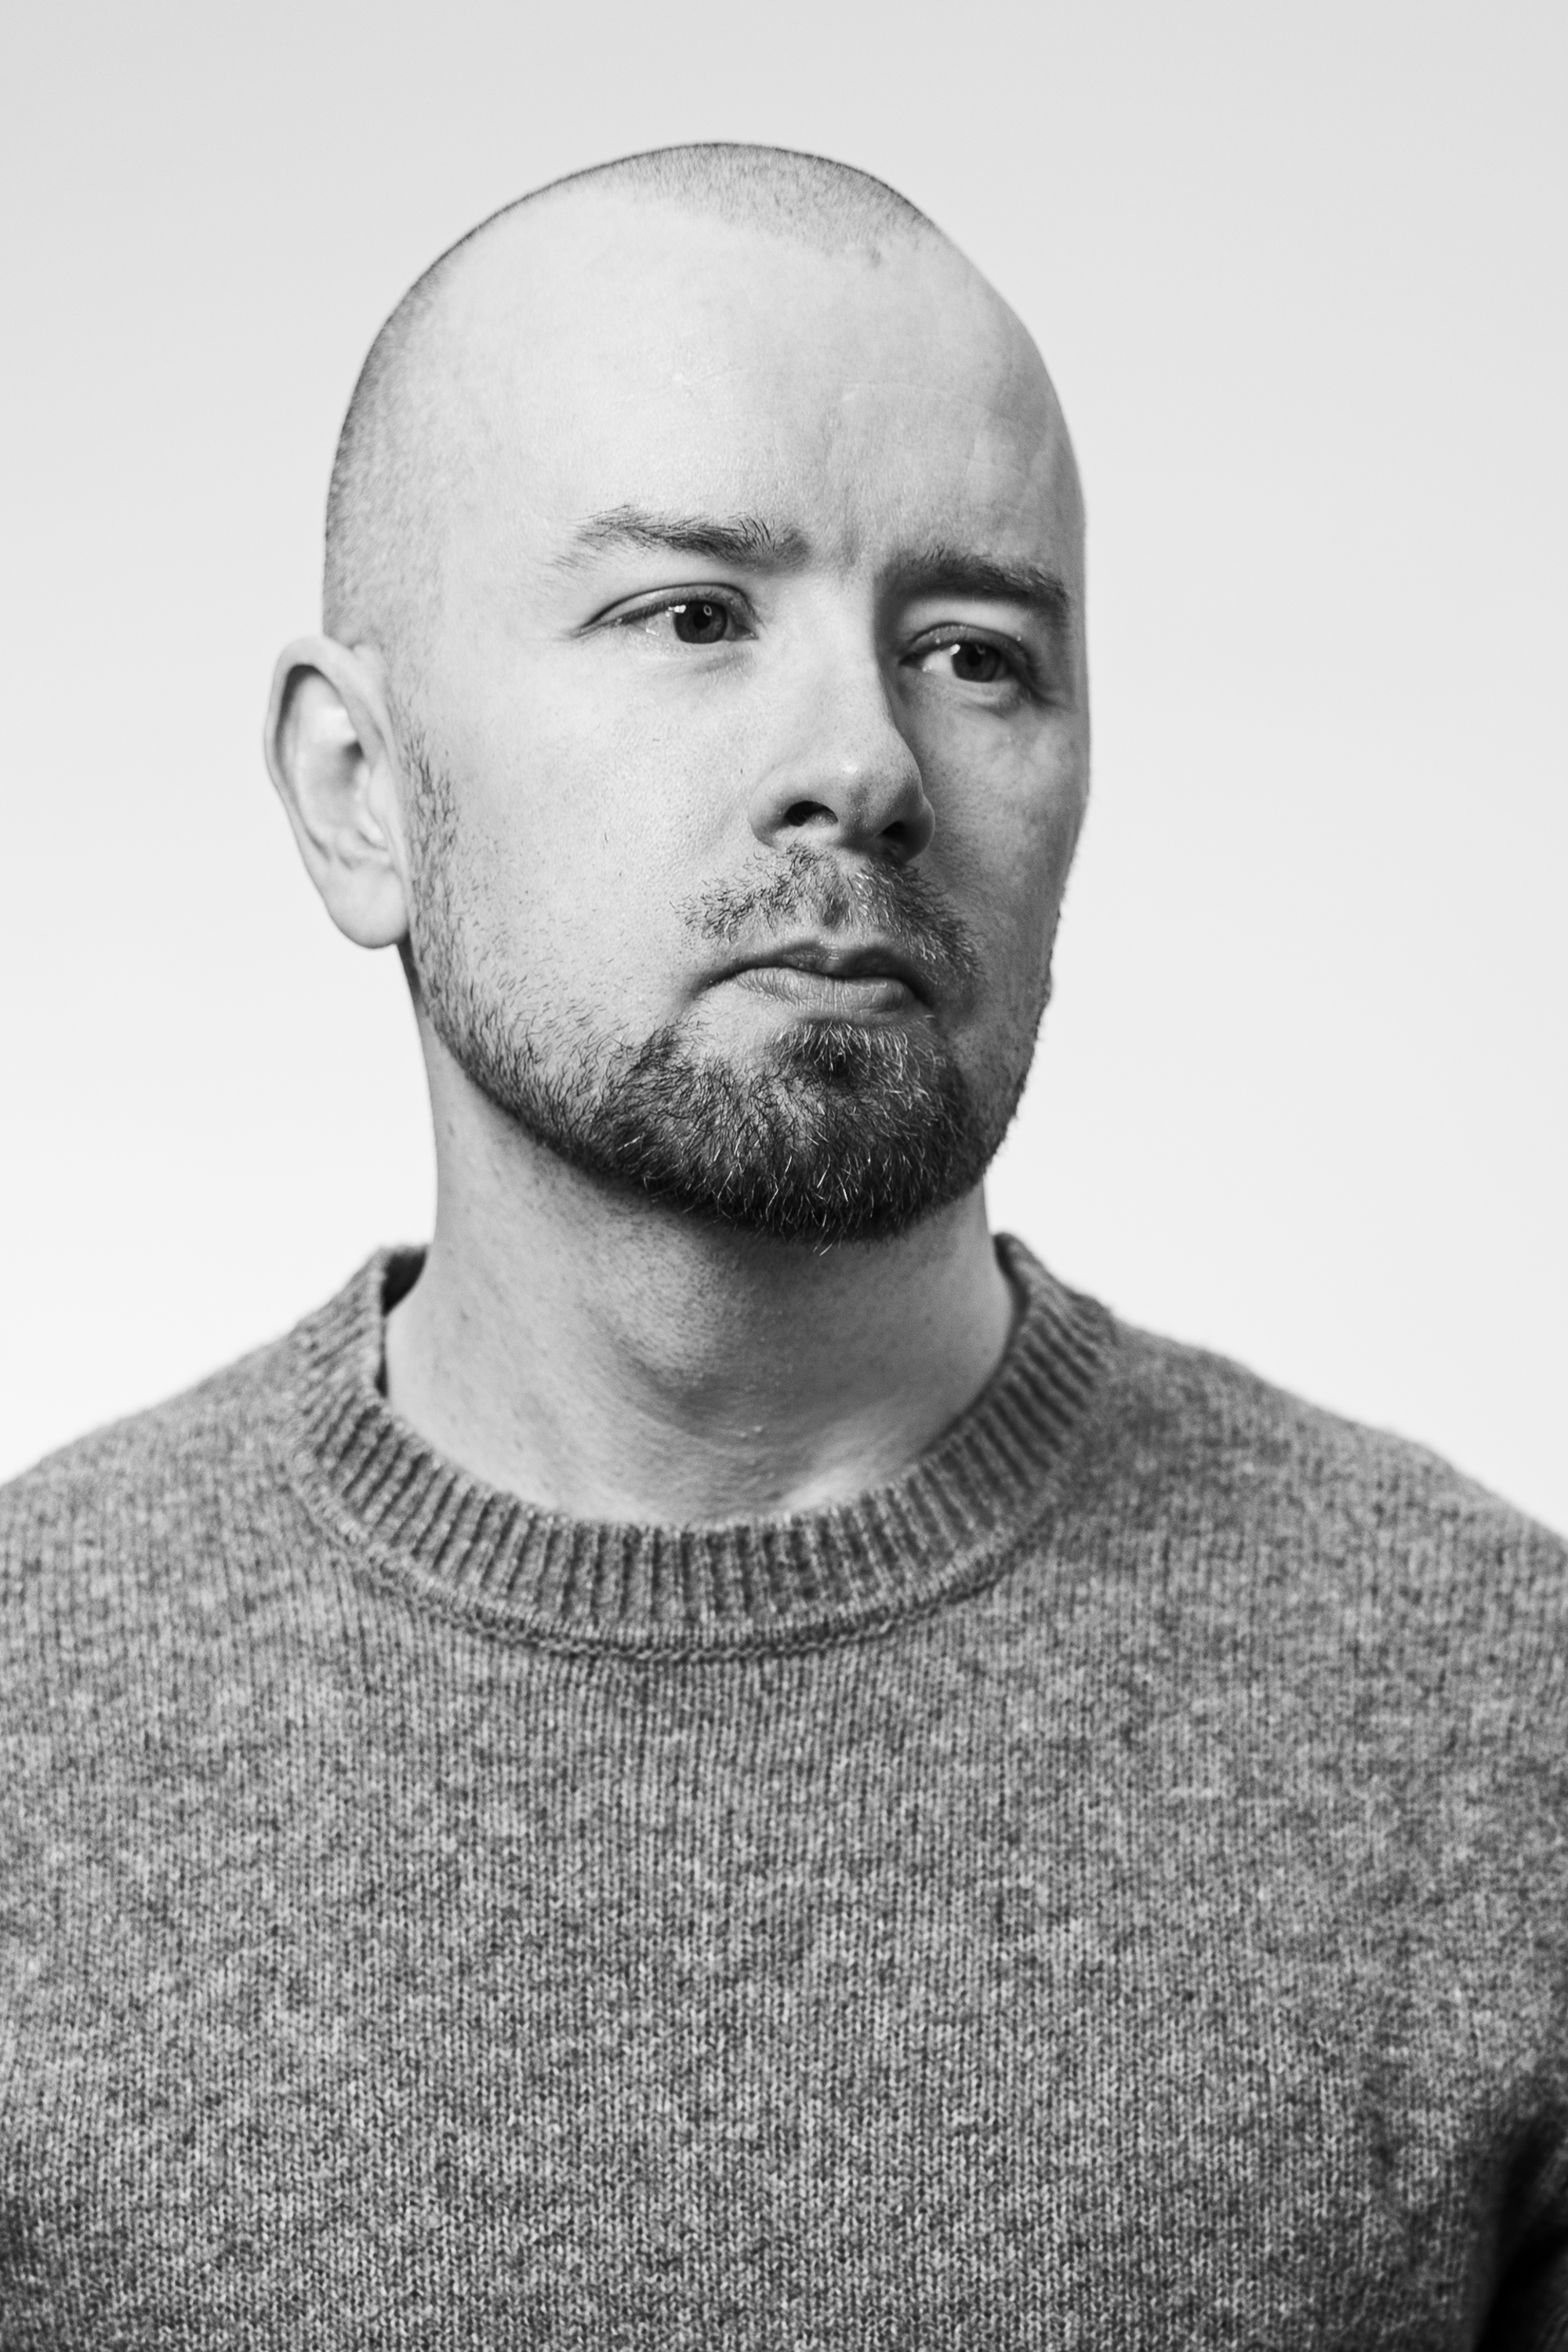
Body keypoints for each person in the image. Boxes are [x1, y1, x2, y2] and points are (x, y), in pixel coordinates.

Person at [1, 141, 1563, 2350]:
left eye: (975, 652)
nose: (865, 759)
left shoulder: (1499, 1724)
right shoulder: (34, 1726)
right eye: (693, 615)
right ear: (360, 790)